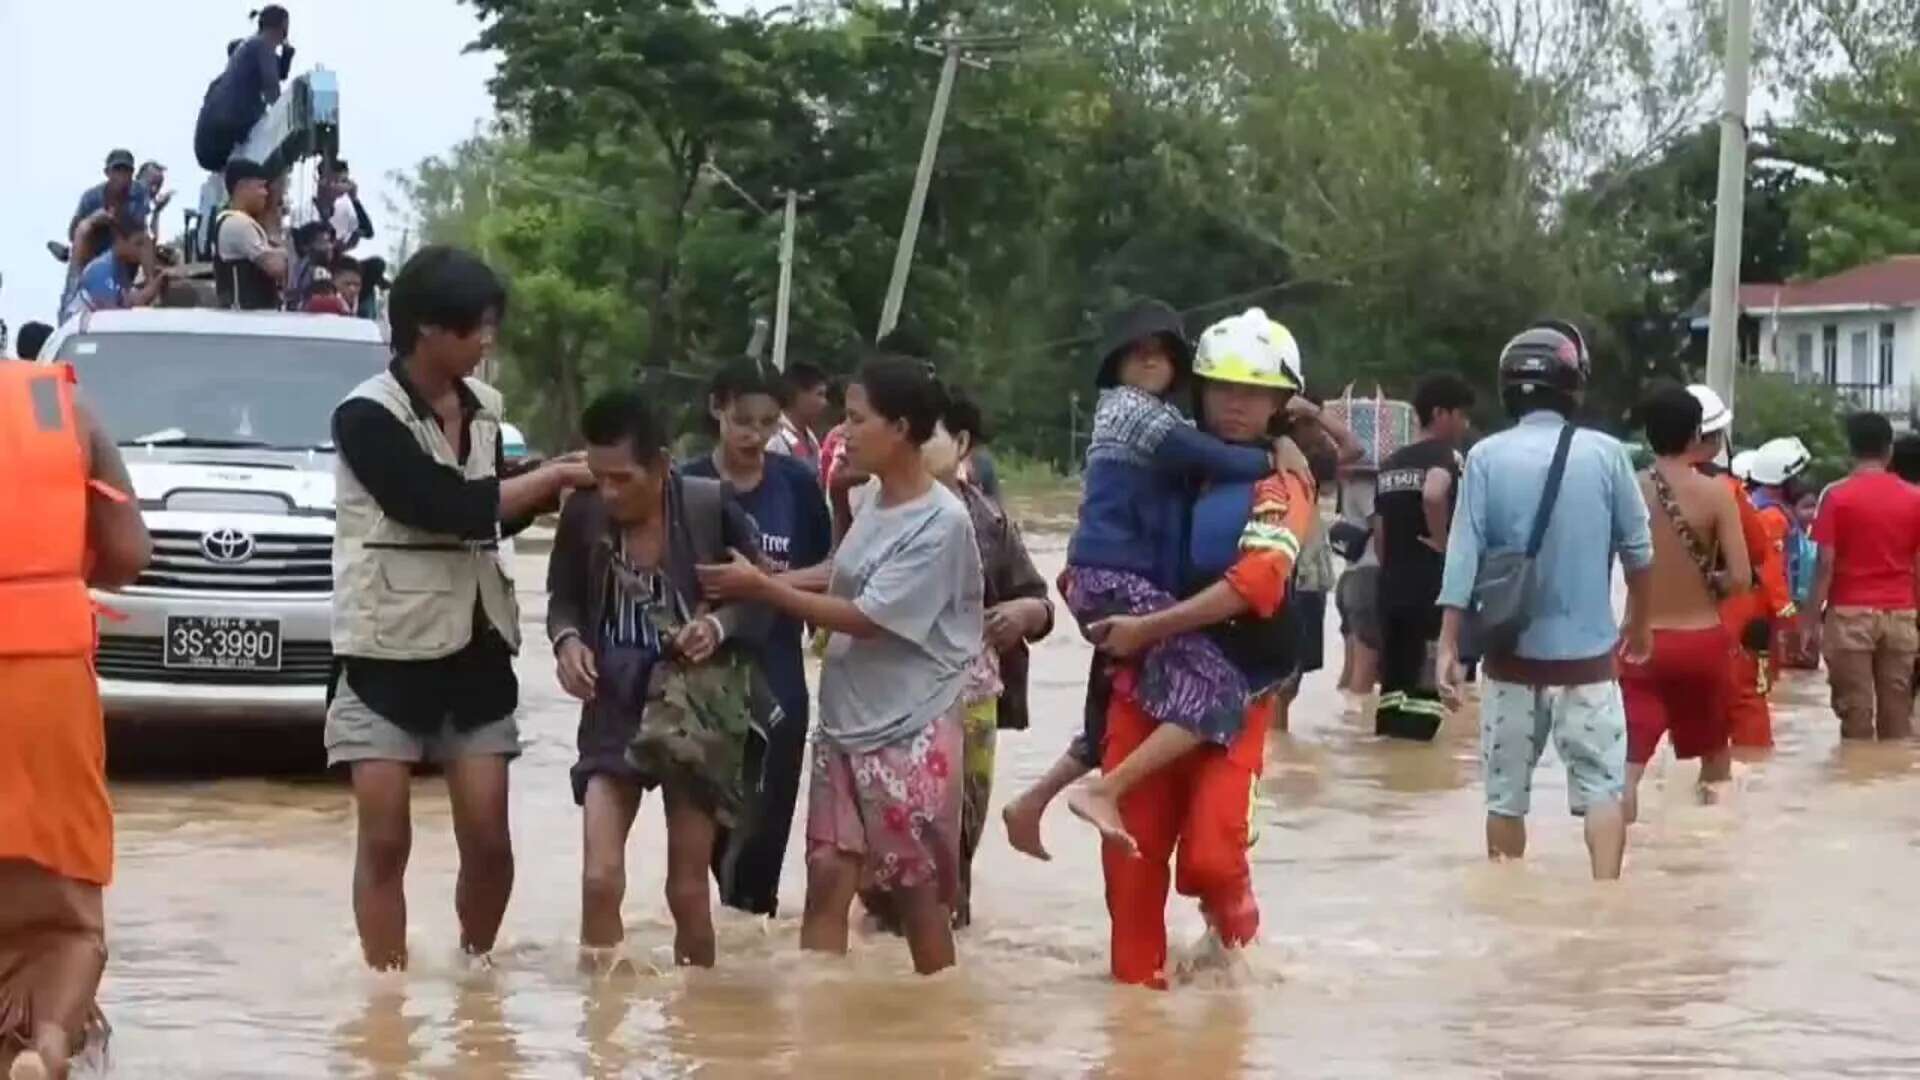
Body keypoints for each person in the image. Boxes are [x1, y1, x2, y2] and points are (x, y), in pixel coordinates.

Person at [326, 246, 595, 970]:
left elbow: (488, 517)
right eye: (473, 329)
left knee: (489, 842)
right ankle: (387, 995)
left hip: (476, 643)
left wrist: (544, 482)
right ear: (425, 330)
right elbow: (434, 506)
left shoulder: (486, 412)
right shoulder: (364, 416)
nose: (486, 343)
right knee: (384, 839)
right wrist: (552, 479)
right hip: (383, 649)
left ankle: (475, 971)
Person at [697, 355, 983, 975]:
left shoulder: (943, 522)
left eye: (856, 420)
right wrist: (756, 582)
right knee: (827, 873)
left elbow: (866, 615)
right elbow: (841, 572)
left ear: (901, 428)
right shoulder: (875, 499)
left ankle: (943, 1034)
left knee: (914, 893)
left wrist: (764, 590)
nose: (842, 433)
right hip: (846, 719)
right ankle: (821, 1036)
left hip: (908, 728)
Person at [999, 306, 1295, 861]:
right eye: (1138, 350)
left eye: (1164, 350)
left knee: (1115, 702)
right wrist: (1278, 453)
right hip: (1121, 583)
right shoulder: (1131, 411)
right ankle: (1104, 790)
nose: (1152, 358)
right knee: (1218, 689)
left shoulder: (1159, 420)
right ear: (1115, 362)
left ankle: (1033, 801)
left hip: (1113, 581)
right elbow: (1214, 456)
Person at [1077, 312, 1320, 987]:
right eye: (1222, 389)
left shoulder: (1284, 484)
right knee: (1129, 867)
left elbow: (1256, 583)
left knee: (1212, 858)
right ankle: (1135, 1023)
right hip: (1139, 690)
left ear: (1276, 403)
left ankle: (1235, 947)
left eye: (1255, 392)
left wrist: (1149, 628)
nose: (1236, 404)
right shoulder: (1160, 462)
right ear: (1198, 389)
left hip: (1235, 694)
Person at [548, 388, 776, 969]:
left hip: (693, 706)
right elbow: (563, 600)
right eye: (599, 478)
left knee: (687, 890)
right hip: (612, 700)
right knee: (599, 879)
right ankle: (602, 1037)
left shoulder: (709, 508)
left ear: (662, 465)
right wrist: (567, 642)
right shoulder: (582, 514)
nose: (608, 492)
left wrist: (719, 627)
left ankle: (694, 1032)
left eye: (622, 479)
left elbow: (765, 600)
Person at [1435, 321, 1653, 881]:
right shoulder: (1607, 456)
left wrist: (1449, 645)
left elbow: (1462, 558)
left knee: (1505, 800)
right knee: (1604, 791)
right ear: (1573, 386)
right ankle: (1605, 900)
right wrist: (1641, 622)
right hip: (1589, 665)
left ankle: (1507, 904)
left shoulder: (1483, 457)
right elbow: (1638, 551)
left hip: (1510, 663)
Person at [0, 360, 151, 1079]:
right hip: (43, 677)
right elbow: (128, 552)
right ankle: (48, 1044)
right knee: (62, 912)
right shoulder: (63, 407)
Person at [679, 360, 833, 917]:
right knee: (706, 821)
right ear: (717, 409)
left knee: (768, 811)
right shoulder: (686, 482)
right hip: (705, 667)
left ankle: (753, 920)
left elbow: (833, 569)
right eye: (742, 420)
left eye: (767, 423)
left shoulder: (797, 483)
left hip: (778, 662)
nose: (754, 436)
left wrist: (764, 584)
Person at [1621, 384, 1750, 822]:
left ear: (1647, 434)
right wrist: (1713, 581)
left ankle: (1615, 864)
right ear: (1697, 434)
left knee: (1626, 768)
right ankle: (1706, 860)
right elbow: (1740, 578)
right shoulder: (1717, 494)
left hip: (1640, 641)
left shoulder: (1628, 490)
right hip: (1701, 643)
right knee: (1715, 761)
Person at [1687, 384, 1791, 755]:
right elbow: (1758, 551)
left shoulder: (1646, 486)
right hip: (1729, 614)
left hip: (1664, 617)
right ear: (1713, 438)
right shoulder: (1728, 491)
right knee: (1746, 700)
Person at [1803, 412, 1920, 741]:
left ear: (1850, 449)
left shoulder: (1836, 496)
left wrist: (1809, 621)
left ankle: (1856, 782)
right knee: (1898, 715)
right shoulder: (1915, 499)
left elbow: (1825, 563)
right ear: (1889, 449)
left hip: (1850, 615)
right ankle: (1889, 783)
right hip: (1901, 615)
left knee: (1855, 713)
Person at [1371, 373, 1476, 740]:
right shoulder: (1447, 456)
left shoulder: (1390, 463)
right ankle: (1417, 772)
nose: (1465, 425)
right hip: (1430, 589)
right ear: (1440, 413)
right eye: (1461, 415)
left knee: (1393, 689)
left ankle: (1391, 766)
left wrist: (1390, 572)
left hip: (1391, 590)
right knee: (1425, 691)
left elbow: (1379, 532)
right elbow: (1434, 492)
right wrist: (1443, 543)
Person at [1747, 438, 1816, 684]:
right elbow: (1771, 570)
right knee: (1761, 681)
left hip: (1759, 609)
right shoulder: (1772, 517)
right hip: (1761, 613)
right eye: (1796, 478)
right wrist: (1789, 615)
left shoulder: (1761, 506)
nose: (1801, 484)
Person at [193, 6, 294, 172]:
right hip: (226, 133)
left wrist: (287, 54)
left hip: (207, 141)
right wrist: (285, 123)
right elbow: (272, 89)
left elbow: (277, 73)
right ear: (283, 27)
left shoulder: (247, 47)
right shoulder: (263, 45)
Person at [59, 217, 170, 324]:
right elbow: (115, 315)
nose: (142, 252)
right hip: (78, 332)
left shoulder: (120, 270)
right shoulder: (100, 270)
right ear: (120, 240)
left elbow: (132, 301)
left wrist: (160, 279)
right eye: (138, 244)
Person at [214, 159, 288, 311]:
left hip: (251, 320)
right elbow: (276, 267)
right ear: (242, 187)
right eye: (260, 187)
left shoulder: (240, 222)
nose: (265, 193)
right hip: (244, 319)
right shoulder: (238, 223)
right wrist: (278, 240)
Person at [292, 160, 376, 254]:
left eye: (345, 181)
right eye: (337, 181)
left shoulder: (343, 213)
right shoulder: (303, 211)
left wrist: (354, 200)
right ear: (322, 181)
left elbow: (368, 232)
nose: (342, 186)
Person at [766, 360, 829, 463]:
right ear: (798, 394)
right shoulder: (774, 438)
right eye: (819, 394)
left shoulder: (810, 438)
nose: (824, 403)